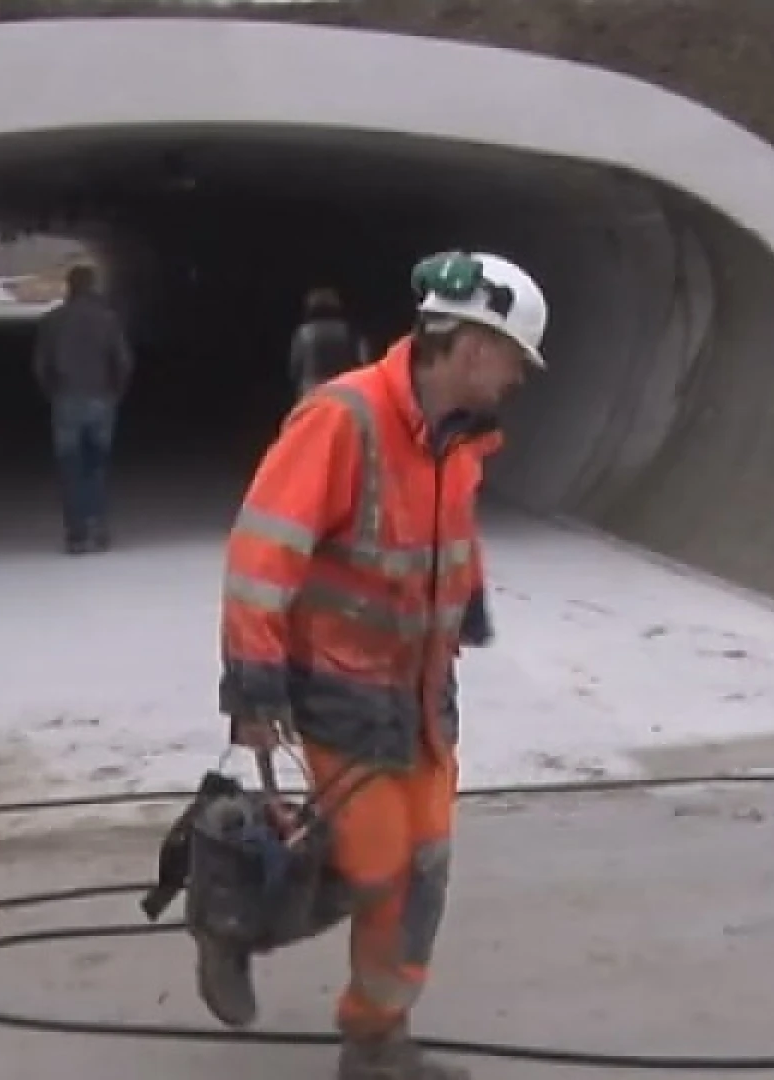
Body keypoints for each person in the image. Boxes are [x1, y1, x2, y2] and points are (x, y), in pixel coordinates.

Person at [209, 251, 547, 1080]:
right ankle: (228, 913)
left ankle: (375, 1040)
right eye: (514, 359)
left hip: (424, 696)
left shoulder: (459, 440)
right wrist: (253, 684)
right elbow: (262, 555)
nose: (518, 379)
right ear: (472, 349)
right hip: (340, 692)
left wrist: (468, 602)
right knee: (373, 868)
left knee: (421, 874)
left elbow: (448, 534)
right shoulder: (343, 419)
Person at [32, 264, 135, 554]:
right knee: (96, 466)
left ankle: (76, 534)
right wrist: (115, 393)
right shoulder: (108, 320)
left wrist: (54, 392)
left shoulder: (52, 321)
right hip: (102, 398)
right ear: (93, 286)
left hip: (66, 400)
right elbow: (124, 362)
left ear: (69, 286)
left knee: (70, 467)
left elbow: (41, 366)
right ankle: (98, 526)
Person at [288, 286, 372, 400]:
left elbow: (295, 368)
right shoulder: (349, 331)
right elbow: (364, 361)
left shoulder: (303, 333)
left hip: (311, 391)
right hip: (343, 389)